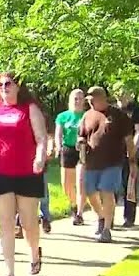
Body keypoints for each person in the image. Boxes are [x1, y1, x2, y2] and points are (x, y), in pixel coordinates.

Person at [0, 72, 49, 276]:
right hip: (0, 172)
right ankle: (8, 271)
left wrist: (40, 158)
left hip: (27, 173)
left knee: (28, 222)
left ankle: (34, 254)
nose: (3, 88)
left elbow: (41, 138)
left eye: (8, 84)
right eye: (0, 85)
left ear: (18, 86)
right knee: (5, 222)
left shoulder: (29, 108)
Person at [76, 86, 136, 243]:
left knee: (107, 191)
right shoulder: (87, 116)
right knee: (90, 192)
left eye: (93, 100)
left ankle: (107, 229)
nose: (90, 103)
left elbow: (129, 140)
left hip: (113, 162)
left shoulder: (118, 116)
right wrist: (80, 142)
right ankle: (101, 217)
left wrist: (132, 161)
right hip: (91, 162)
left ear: (102, 98)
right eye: (89, 100)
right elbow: (81, 135)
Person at [55, 89, 87, 225]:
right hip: (67, 150)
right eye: (75, 98)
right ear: (70, 100)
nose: (77, 101)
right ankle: (74, 205)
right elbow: (58, 134)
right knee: (66, 185)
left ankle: (79, 213)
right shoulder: (63, 116)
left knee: (80, 182)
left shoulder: (86, 116)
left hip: (82, 150)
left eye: (80, 98)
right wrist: (58, 147)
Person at [117, 94, 139, 228]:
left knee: (129, 185)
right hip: (114, 152)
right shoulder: (112, 110)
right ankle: (108, 217)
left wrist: (132, 151)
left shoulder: (135, 111)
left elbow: (138, 132)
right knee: (112, 185)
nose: (121, 96)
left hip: (130, 152)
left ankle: (129, 217)